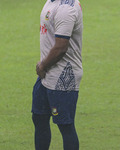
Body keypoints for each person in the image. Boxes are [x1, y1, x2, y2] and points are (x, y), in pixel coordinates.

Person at [31, 0, 83, 149]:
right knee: (39, 117)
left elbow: (61, 47)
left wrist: (42, 65)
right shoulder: (51, 2)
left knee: (65, 125)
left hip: (64, 75)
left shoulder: (66, 8)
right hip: (46, 73)